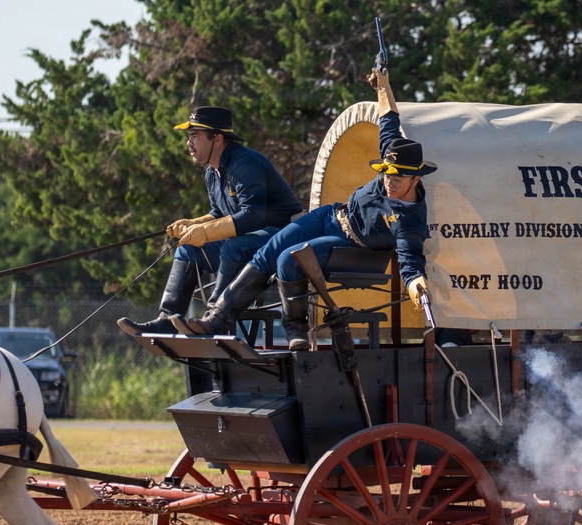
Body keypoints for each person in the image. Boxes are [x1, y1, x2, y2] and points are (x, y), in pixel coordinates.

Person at [171, 68, 436, 350]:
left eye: (396, 179)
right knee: (271, 248)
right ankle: (219, 318)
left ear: (415, 178)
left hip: (352, 243)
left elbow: (410, 262)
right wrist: (383, 86)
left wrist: (415, 286)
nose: (388, 183)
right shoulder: (393, 161)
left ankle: (295, 328)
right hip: (331, 216)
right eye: (385, 174)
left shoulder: (409, 221)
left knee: (290, 258)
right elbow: (388, 122)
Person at [117, 106, 304, 335]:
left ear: (217, 139)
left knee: (232, 246)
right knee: (187, 249)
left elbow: (253, 216)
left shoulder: (245, 163)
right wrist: (193, 224)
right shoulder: (211, 172)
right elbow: (218, 213)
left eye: (195, 136)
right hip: (250, 243)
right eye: (189, 136)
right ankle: (167, 319)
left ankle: (215, 317)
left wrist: (205, 232)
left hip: (281, 238)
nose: (189, 142)